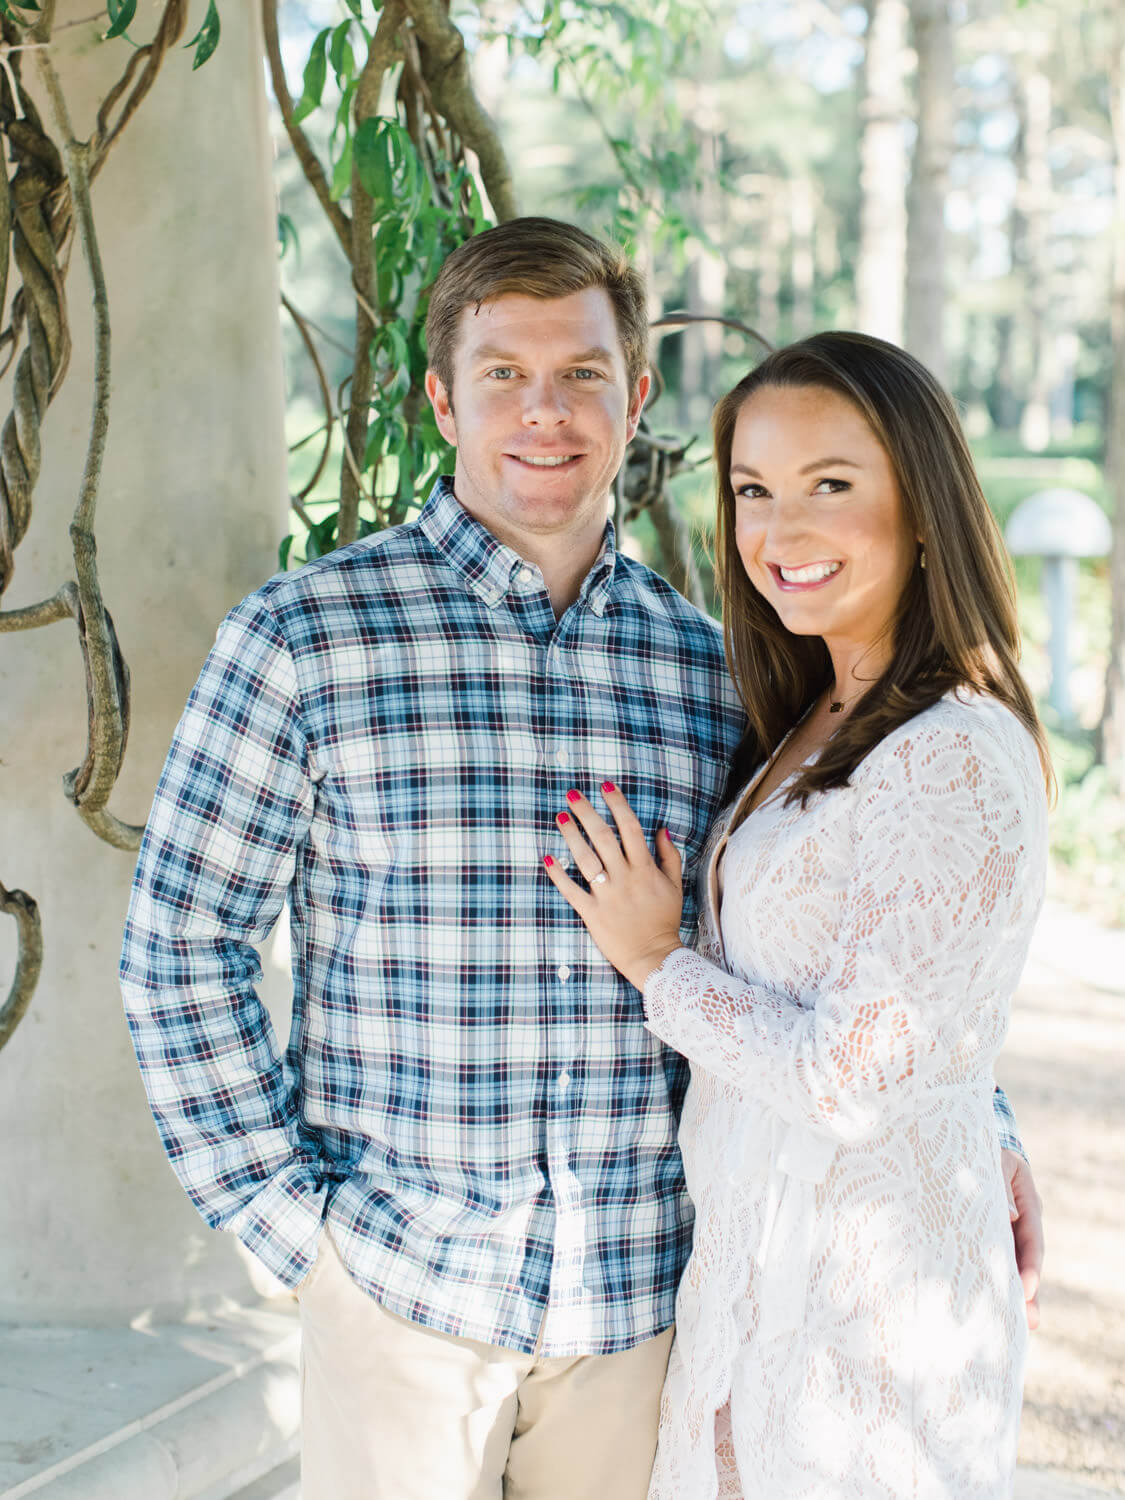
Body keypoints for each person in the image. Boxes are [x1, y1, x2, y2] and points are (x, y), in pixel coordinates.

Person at [120, 223, 1041, 1500]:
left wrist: (972, 1110)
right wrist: (290, 1229)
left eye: (583, 375)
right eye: (503, 374)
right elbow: (181, 939)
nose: (544, 412)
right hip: (401, 1292)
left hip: (638, 1300)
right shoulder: (303, 639)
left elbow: (837, 916)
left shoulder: (719, 662)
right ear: (442, 398)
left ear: (636, 395)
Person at [543, 330, 1051, 1499]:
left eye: (832, 484)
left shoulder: (952, 756)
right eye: (753, 492)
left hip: (863, 1335)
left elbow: (857, 1078)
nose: (779, 532)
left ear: (924, 506)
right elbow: (911, 990)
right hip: (756, 1290)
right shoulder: (812, 713)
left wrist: (657, 963)